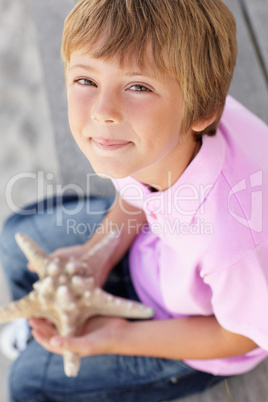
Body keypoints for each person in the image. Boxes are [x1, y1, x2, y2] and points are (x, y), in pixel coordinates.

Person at [1, 0, 268, 401]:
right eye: (86, 80)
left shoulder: (234, 241)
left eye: (139, 87)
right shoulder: (148, 140)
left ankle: (60, 333)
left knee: (28, 381)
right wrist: (99, 254)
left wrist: (117, 337)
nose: (103, 112)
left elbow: (240, 336)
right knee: (16, 235)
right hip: (153, 252)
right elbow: (137, 194)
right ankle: (50, 315)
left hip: (190, 327)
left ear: (202, 111)